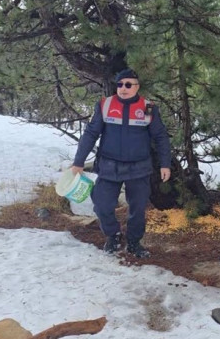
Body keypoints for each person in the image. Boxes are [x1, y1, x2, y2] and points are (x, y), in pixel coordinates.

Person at [71, 68, 171, 258]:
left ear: (137, 87)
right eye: (120, 84)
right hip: (109, 166)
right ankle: (113, 235)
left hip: (139, 168)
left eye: (128, 85)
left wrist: (165, 164)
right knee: (101, 204)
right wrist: (79, 162)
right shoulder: (105, 105)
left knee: (138, 208)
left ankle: (134, 242)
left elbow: (160, 137)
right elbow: (91, 133)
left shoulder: (148, 108)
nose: (123, 88)